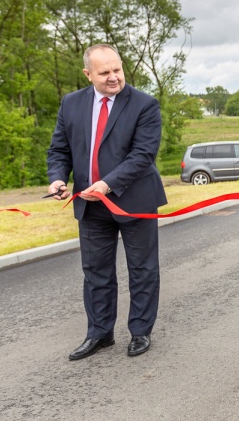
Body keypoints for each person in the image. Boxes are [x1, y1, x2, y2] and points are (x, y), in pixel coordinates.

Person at [46, 44, 167, 360]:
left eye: (117, 69)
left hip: (134, 200)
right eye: (105, 72)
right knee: (95, 272)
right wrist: (57, 178)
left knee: (142, 270)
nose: (114, 77)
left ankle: (140, 331)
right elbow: (59, 150)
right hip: (90, 204)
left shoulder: (144, 104)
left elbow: (143, 155)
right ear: (88, 74)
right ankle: (99, 333)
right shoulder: (71, 104)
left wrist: (108, 183)